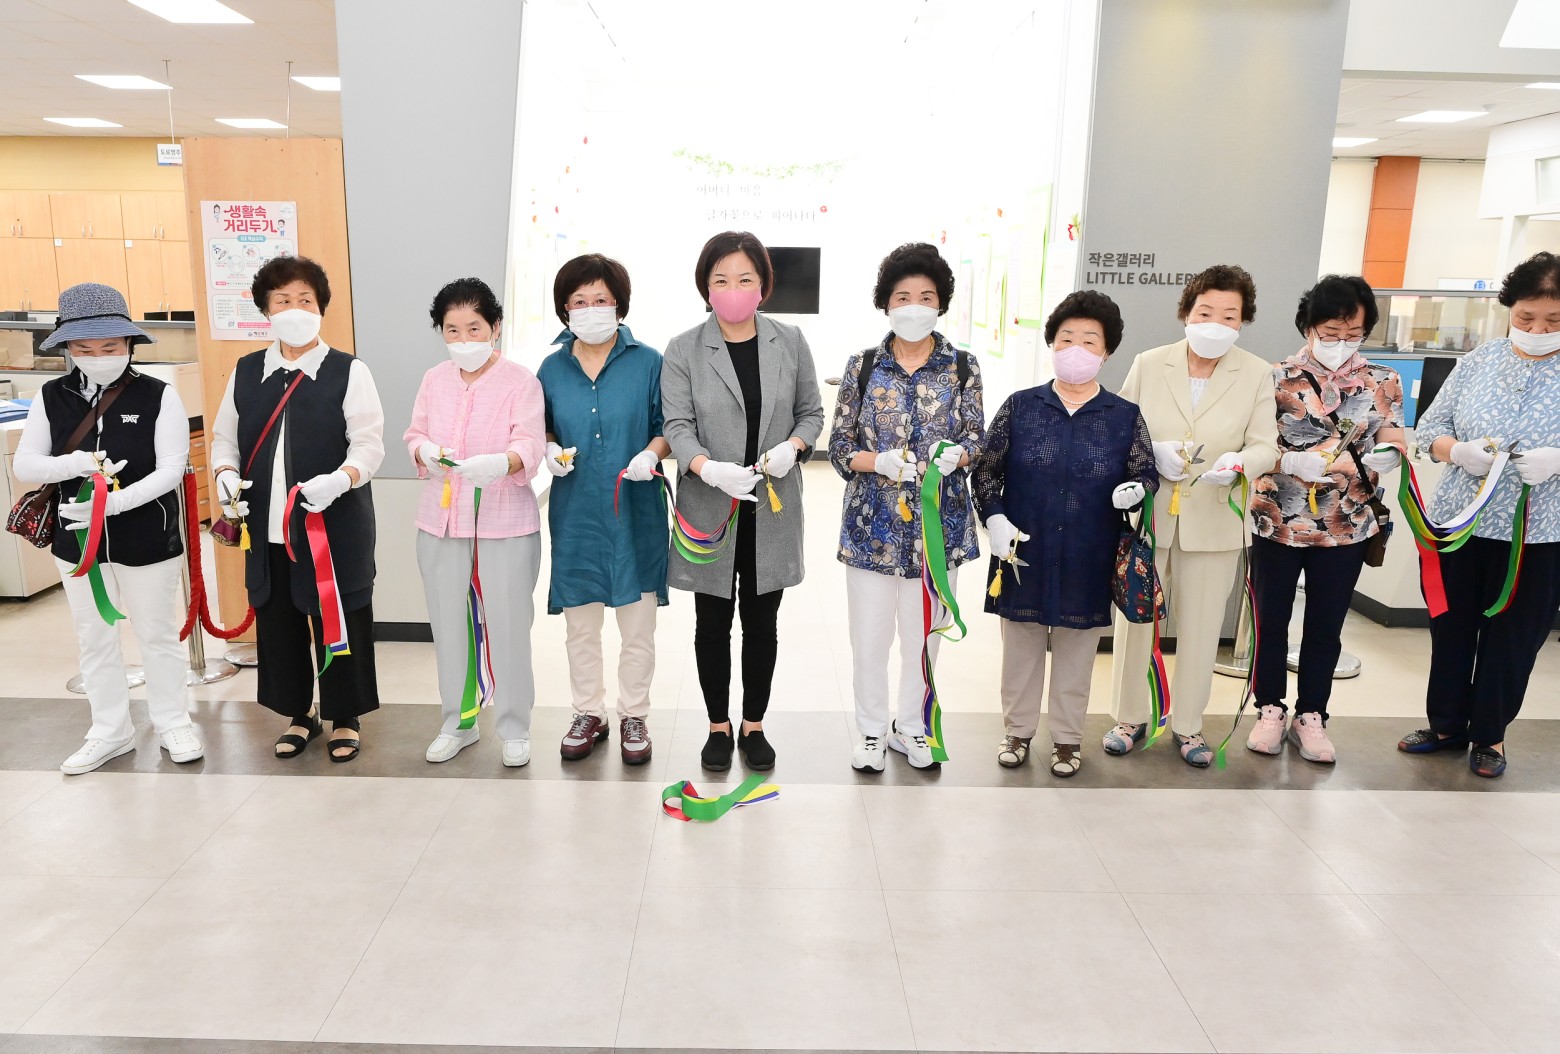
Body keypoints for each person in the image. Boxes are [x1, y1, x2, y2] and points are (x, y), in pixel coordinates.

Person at [14, 283, 201, 775]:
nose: (98, 357)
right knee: (93, 636)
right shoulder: (51, 396)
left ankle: (173, 721)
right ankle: (109, 730)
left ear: (129, 344)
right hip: (75, 539)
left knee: (156, 633)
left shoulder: (159, 396)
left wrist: (114, 504)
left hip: (147, 534)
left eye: (109, 347)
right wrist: (73, 463)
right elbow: (26, 465)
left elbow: (170, 469)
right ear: (67, 348)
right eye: (84, 349)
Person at [973, 291, 1157, 776]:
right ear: (1052, 344)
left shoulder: (1123, 415)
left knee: (1078, 654)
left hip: (1088, 553)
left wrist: (1137, 490)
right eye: (1066, 338)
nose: (1076, 348)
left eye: (1089, 340)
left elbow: (1145, 472)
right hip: (1022, 550)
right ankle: (1017, 731)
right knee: (1020, 649)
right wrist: (994, 517)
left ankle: (1068, 740)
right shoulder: (1021, 406)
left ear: (1107, 351)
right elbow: (987, 470)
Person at [661, 231, 825, 772]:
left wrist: (793, 447)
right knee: (711, 622)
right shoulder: (685, 348)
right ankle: (718, 725)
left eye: (745, 279)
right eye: (721, 279)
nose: (733, 289)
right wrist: (707, 467)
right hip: (709, 503)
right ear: (706, 287)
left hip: (771, 504)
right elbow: (677, 424)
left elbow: (811, 413)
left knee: (761, 624)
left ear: (763, 285)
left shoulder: (789, 341)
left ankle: (753, 724)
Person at [210, 255, 385, 762]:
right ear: (266, 310)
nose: (294, 309)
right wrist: (224, 474)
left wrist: (341, 479)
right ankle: (299, 713)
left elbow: (369, 444)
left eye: (305, 300)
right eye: (282, 300)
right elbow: (224, 439)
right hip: (267, 527)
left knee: (339, 615)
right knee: (279, 621)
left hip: (333, 523)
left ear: (321, 308)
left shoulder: (348, 371)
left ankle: (345, 716)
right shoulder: (247, 371)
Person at [1106, 265, 1279, 767]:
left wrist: (1239, 464)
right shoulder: (1149, 362)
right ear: (1186, 312)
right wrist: (1150, 452)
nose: (1215, 323)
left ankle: (1188, 725)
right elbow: (1120, 429)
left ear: (1243, 321)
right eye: (1206, 312)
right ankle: (1129, 718)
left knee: (1203, 629)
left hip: (1215, 521)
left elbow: (1266, 446)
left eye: (1229, 315)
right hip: (1150, 518)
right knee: (1135, 622)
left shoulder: (1256, 373)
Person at [1399, 250, 1560, 778]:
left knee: (1513, 638)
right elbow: (1429, 429)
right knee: (1451, 627)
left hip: (1538, 534)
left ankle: (1490, 734)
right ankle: (1446, 724)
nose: (1538, 330)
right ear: (1508, 309)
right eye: (1526, 318)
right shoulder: (1478, 362)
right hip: (1460, 525)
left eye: (1553, 320)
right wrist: (1457, 451)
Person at [829, 243, 985, 772]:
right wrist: (878, 462)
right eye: (902, 296)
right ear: (886, 303)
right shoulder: (863, 366)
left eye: (926, 296)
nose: (914, 306)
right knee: (870, 639)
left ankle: (912, 727)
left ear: (941, 303)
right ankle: (872, 731)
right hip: (871, 529)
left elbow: (977, 437)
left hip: (939, 530)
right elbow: (840, 446)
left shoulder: (962, 367)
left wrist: (959, 455)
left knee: (924, 639)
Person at [1247, 276, 1404, 764]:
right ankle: (1269, 709)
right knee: (1270, 620)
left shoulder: (1382, 379)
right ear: (1308, 327)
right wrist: (1287, 459)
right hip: (1278, 517)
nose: (1341, 342)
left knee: (1326, 624)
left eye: (1353, 333)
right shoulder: (1274, 377)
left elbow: (1393, 434)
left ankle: (1312, 714)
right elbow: (1253, 442)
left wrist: (1388, 454)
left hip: (1346, 523)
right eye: (1331, 332)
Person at [405, 277, 545, 768]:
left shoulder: (521, 381)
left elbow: (530, 443)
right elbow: (415, 433)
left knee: (509, 625)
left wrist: (502, 462)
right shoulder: (434, 379)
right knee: (449, 625)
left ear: (495, 328)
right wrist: (423, 450)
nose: (463, 339)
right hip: (441, 521)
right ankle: (458, 722)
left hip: (505, 522)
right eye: (452, 330)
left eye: (474, 328)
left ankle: (514, 727)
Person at [537, 255, 669, 764]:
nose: (590, 309)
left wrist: (650, 454)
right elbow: (543, 426)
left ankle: (634, 713)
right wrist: (550, 448)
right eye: (579, 301)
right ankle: (588, 712)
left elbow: (667, 425)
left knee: (637, 626)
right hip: (577, 513)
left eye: (601, 300)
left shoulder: (648, 362)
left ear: (619, 304)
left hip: (636, 510)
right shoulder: (552, 368)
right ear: (565, 309)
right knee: (581, 626)